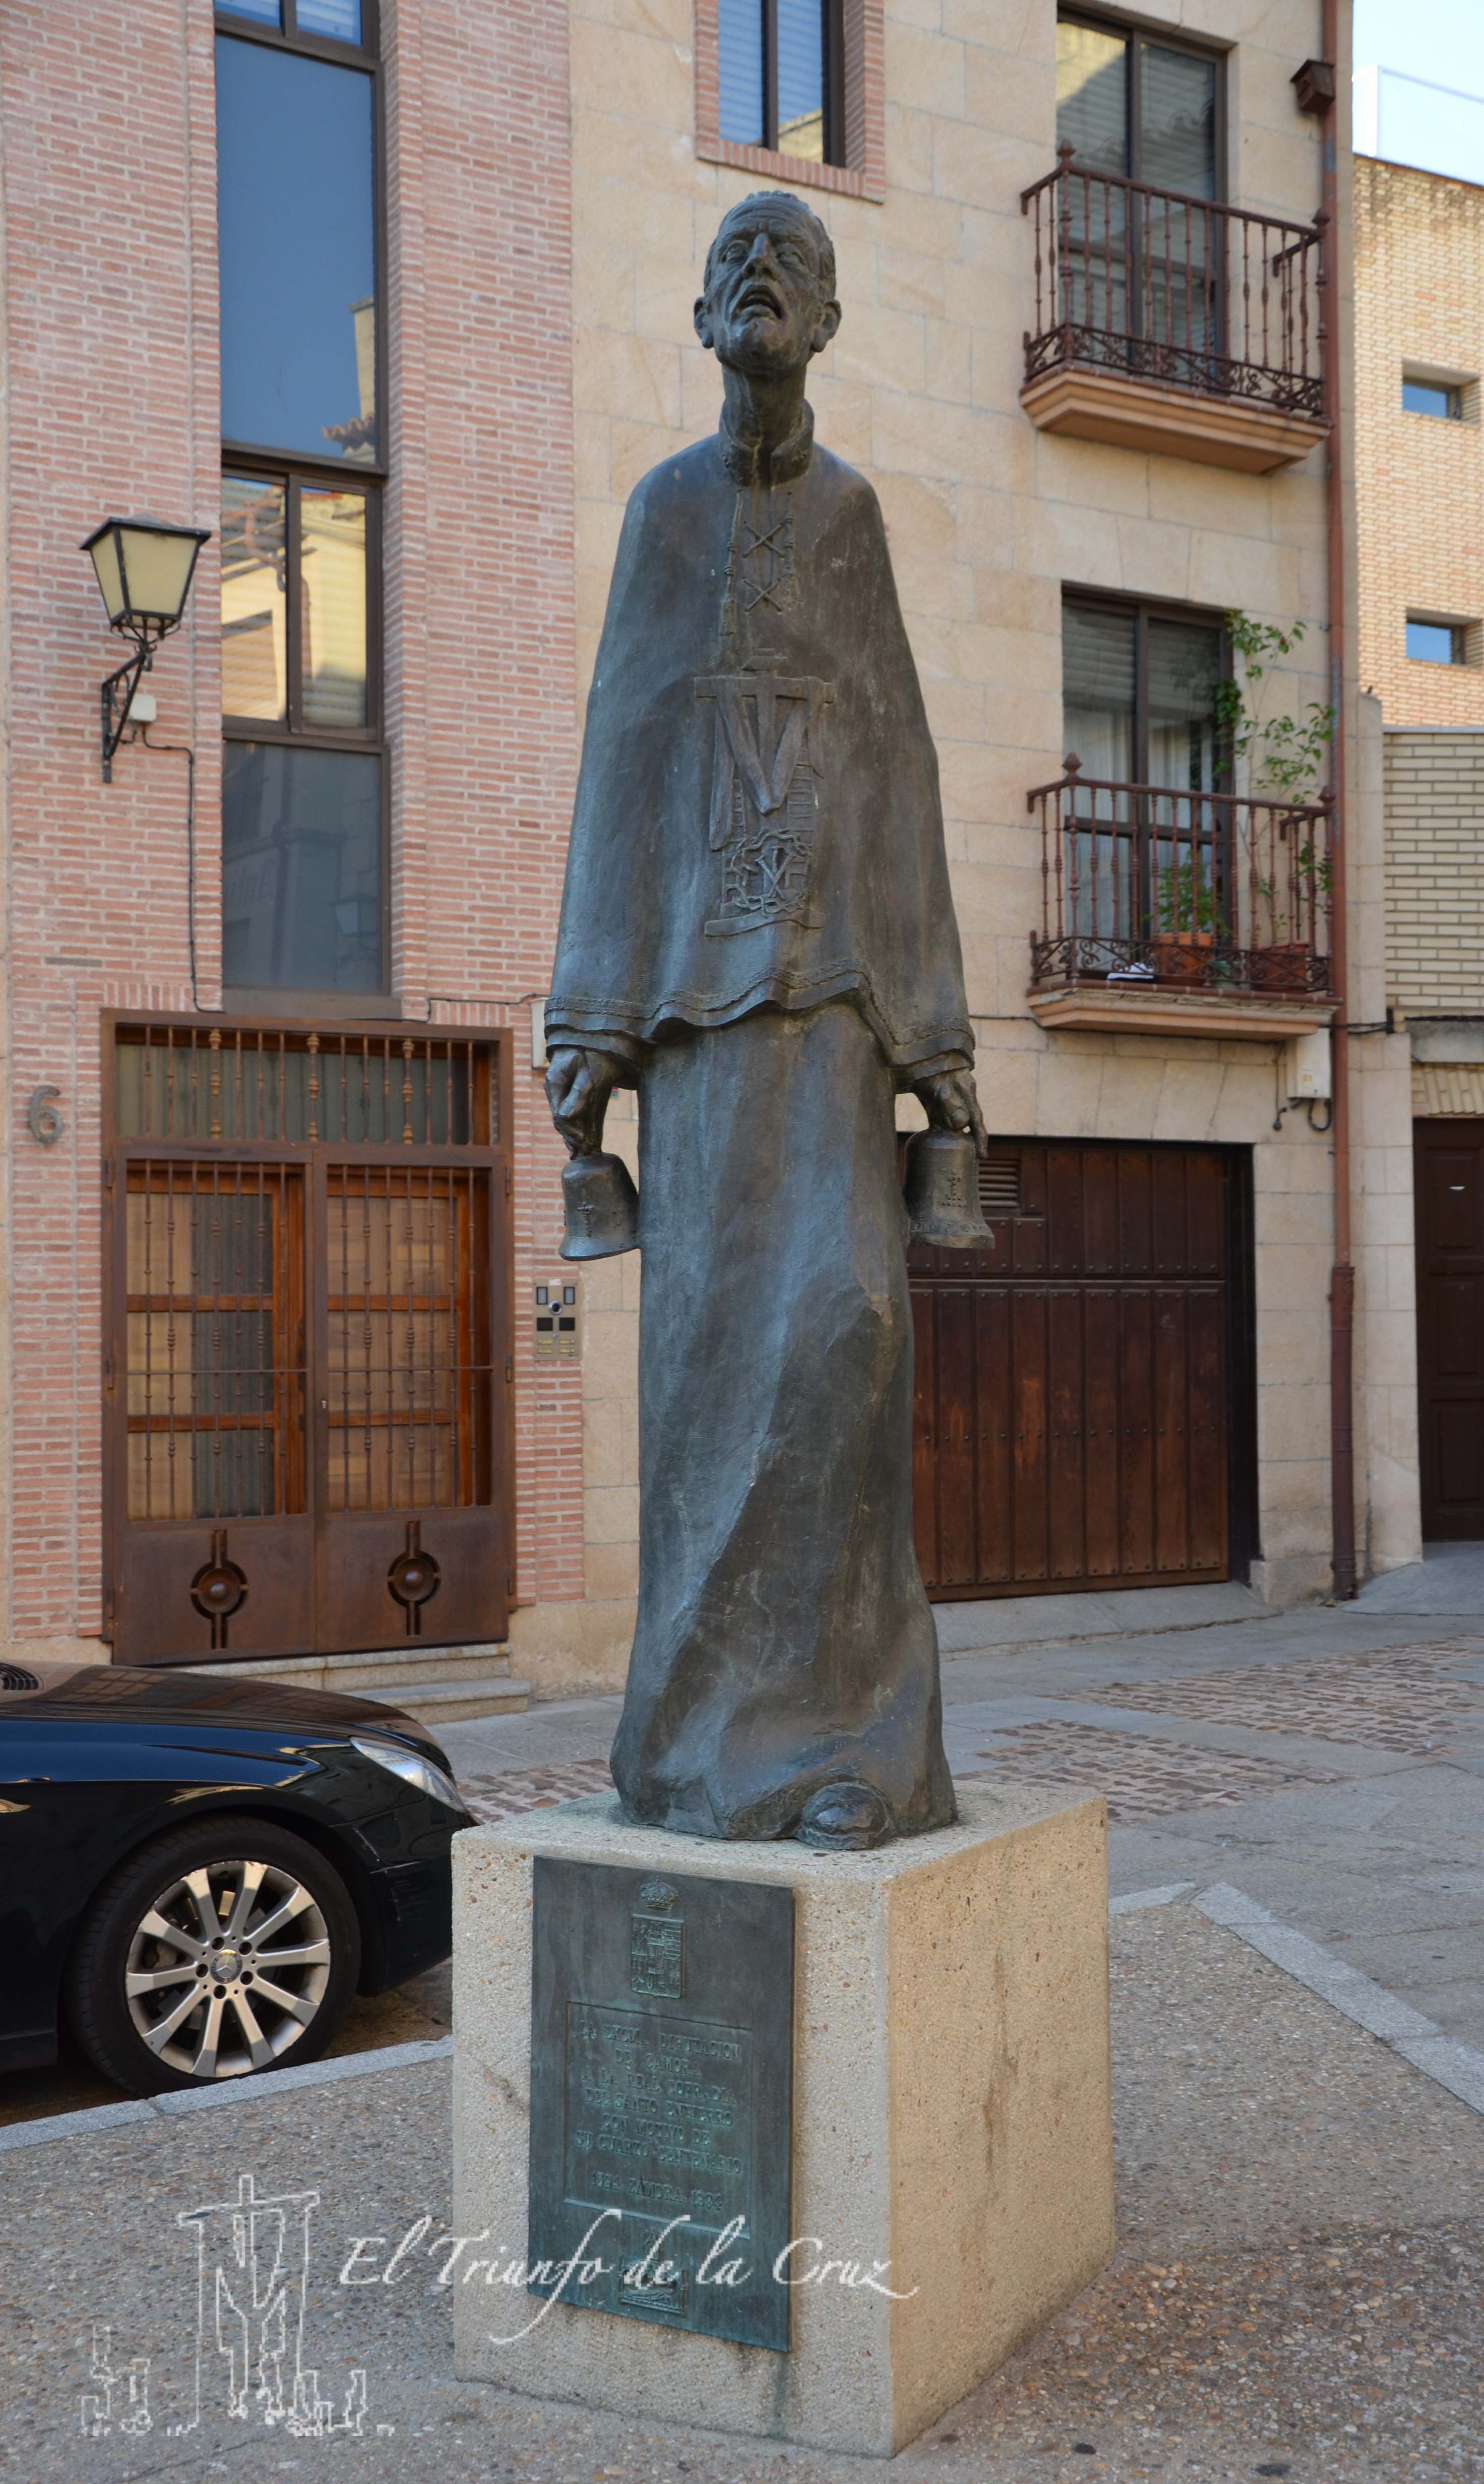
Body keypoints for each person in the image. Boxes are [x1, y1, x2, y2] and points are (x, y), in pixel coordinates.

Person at [544, 191, 985, 1849]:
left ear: (829, 318)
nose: (758, 282)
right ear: (703, 310)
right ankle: (695, 1752)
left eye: (789, 267)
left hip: (835, 1023)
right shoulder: (662, 516)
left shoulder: (856, 517)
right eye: (732, 262)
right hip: (700, 1045)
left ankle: (855, 1751)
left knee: (845, 1342)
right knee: (713, 1380)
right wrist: (586, 1032)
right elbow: (621, 762)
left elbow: (906, 774)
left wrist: (938, 1057)